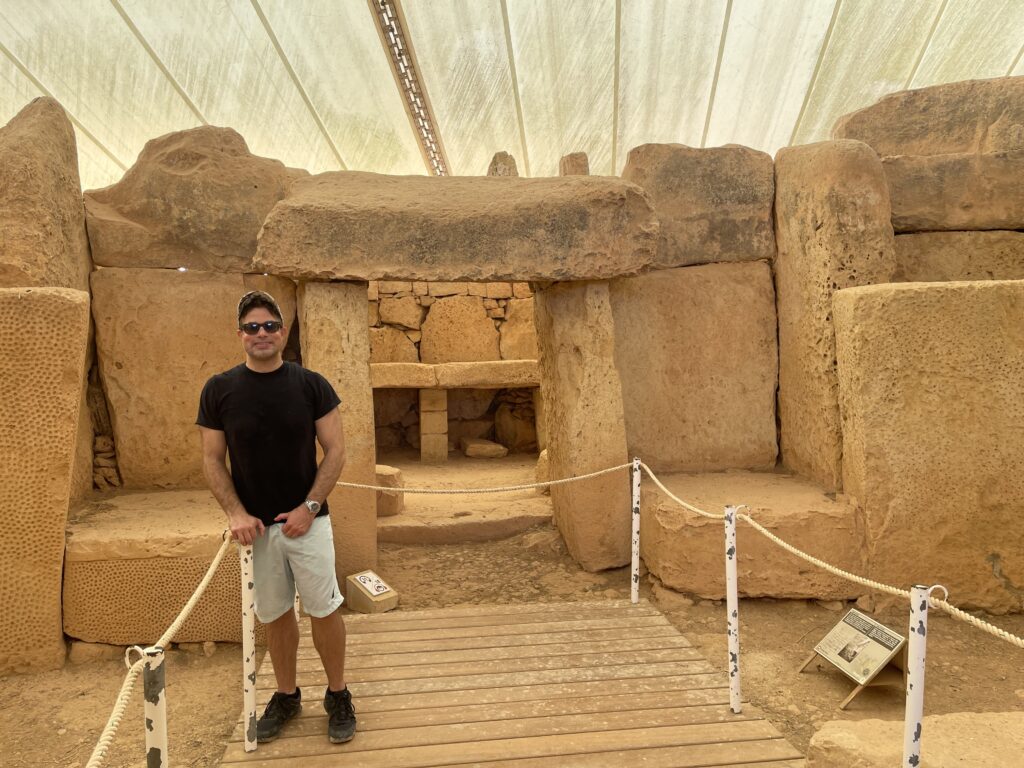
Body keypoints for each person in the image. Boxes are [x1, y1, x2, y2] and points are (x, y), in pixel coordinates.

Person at [196, 290, 356, 744]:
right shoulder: (219, 389)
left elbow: (337, 449)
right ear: (241, 335)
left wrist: (309, 507)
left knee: (324, 608)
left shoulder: (311, 384)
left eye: (269, 326)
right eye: (252, 327)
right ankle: (286, 694)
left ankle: (338, 693)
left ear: (282, 332)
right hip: (257, 529)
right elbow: (211, 459)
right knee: (275, 613)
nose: (261, 334)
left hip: (309, 522)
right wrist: (236, 513)